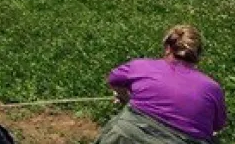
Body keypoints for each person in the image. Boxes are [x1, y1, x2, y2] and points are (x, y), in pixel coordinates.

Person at [96, 25, 227, 144]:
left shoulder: (141, 66)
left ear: (167, 48)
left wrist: (124, 97)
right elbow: (217, 126)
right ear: (198, 55)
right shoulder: (212, 88)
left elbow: (113, 80)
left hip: (127, 136)